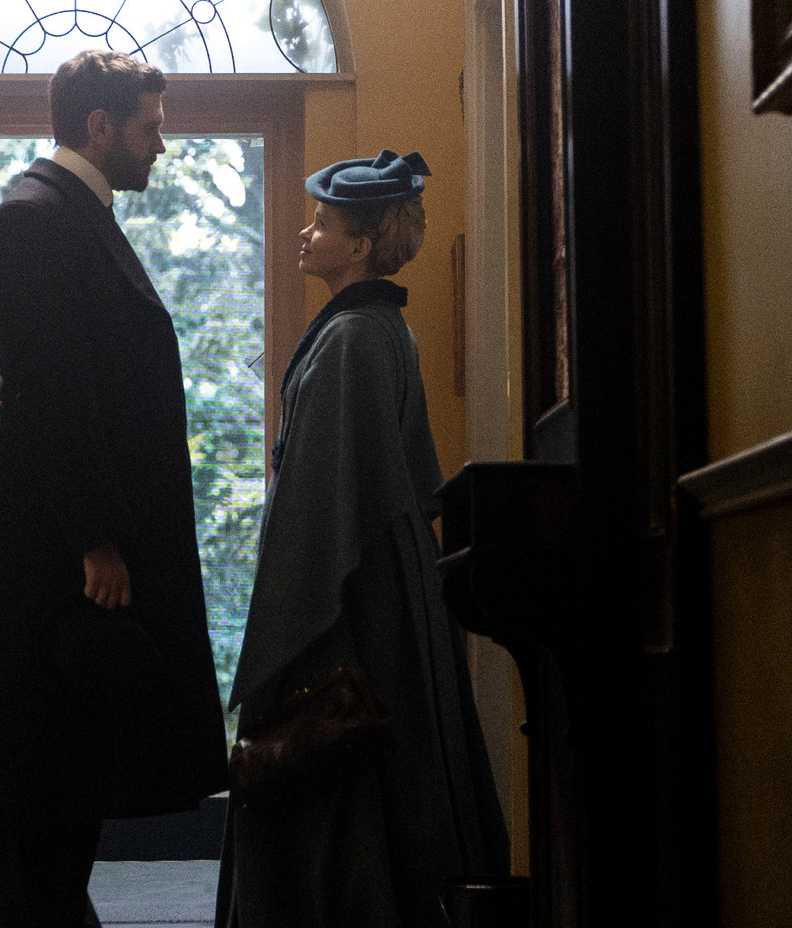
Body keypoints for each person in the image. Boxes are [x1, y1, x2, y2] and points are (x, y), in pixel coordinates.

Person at [216, 150, 510, 927]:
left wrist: (284, 634)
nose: (306, 234)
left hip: (347, 594)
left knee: (334, 765)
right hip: (381, 583)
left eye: (323, 223)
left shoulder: (354, 338)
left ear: (361, 243)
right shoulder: (377, 328)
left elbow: (323, 505)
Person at [0, 50, 229, 927]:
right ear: (98, 126)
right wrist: (95, 538)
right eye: (149, 127)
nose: (161, 144)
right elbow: (48, 394)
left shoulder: (70, 216)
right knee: (49, 794)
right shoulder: (32, 221)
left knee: (71, 789)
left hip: (82, 552)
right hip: (62, 561)